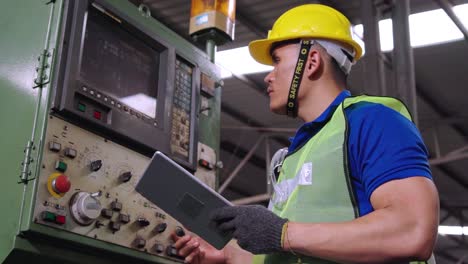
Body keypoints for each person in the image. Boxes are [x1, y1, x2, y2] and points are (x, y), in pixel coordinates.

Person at [173, 4, 439, 264]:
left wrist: (283, 233)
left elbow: (412, 230)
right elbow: (292, 251)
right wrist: (228, 256)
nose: (269, 76)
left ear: (311, 62)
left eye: (276, 61)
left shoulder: (372, 120)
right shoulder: (294, 156)